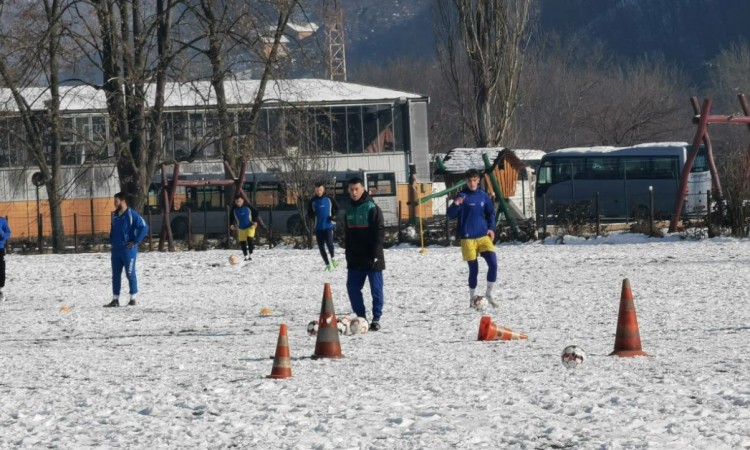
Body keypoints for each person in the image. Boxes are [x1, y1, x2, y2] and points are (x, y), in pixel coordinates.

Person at [447, 168, 498, 308]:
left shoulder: (483, 196)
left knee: (493, 264)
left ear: (478, 180)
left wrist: (491, 228)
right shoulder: (462, 196)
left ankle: (488, 293)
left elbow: (491, 213)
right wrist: (455, 204)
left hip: (483, 236)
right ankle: (472, 298)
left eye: (474, 180)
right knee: (473, 270)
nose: (472, 183)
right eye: (469, 180)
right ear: (466, 181)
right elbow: (450, 215)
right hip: (467, 238)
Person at [344, 177, 385, 331]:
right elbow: (347, 234)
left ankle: (376, 318)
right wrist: (348, 252)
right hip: (355, 258)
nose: (354, 193)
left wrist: (376, 253)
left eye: (357, 189)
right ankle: (361, 317)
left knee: (376, 289)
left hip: (372, 257)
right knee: (352, 288)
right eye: (351, 189)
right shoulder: (348, 209)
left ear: (363, 189)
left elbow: (379, 232)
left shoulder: (371, 207)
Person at [106, 192, 149, 307]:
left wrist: (135, 241)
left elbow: (144, 227)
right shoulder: (115, 215)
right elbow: (113, 230)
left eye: (116, 201)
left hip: (128, 250)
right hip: (116, 250)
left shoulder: (132, 214)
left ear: (123, 201)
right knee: (115, 275)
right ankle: (115, 299)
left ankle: (133, 298)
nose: (114, 203)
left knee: (130, 273)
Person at [307, 181, 340, 271]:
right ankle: (328, 265)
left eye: (320, 190)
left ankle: (333, 259)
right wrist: (310, 216)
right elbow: (309, 213)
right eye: (317, 190)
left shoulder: (329, 199)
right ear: (315, 190)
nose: (319, 192)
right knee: (321, 247)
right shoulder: (312, 201)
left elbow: (337, 208)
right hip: (318, 228)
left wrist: (333, 216)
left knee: (329, 244)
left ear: (323, 189)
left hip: (329, 226)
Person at [230, 193, 259, 261]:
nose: (238, 203)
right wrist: (232, 224)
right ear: (235, 202)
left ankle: (251, 255)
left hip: (250, 226)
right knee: (242, 243)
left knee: (249, 239)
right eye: (237, 202)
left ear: (242, 200)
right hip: (241, 228)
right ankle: (246, 256)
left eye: (239, 201)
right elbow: (231, 218)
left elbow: (256, 212)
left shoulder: (248, 206)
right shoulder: (234, 209)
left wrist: (255, 221)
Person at [0, 216, 10, 302]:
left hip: (0, 248)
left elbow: (8, 232)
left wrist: (2, 235)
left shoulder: (2, 220)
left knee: (1, 270)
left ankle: (0, 288)